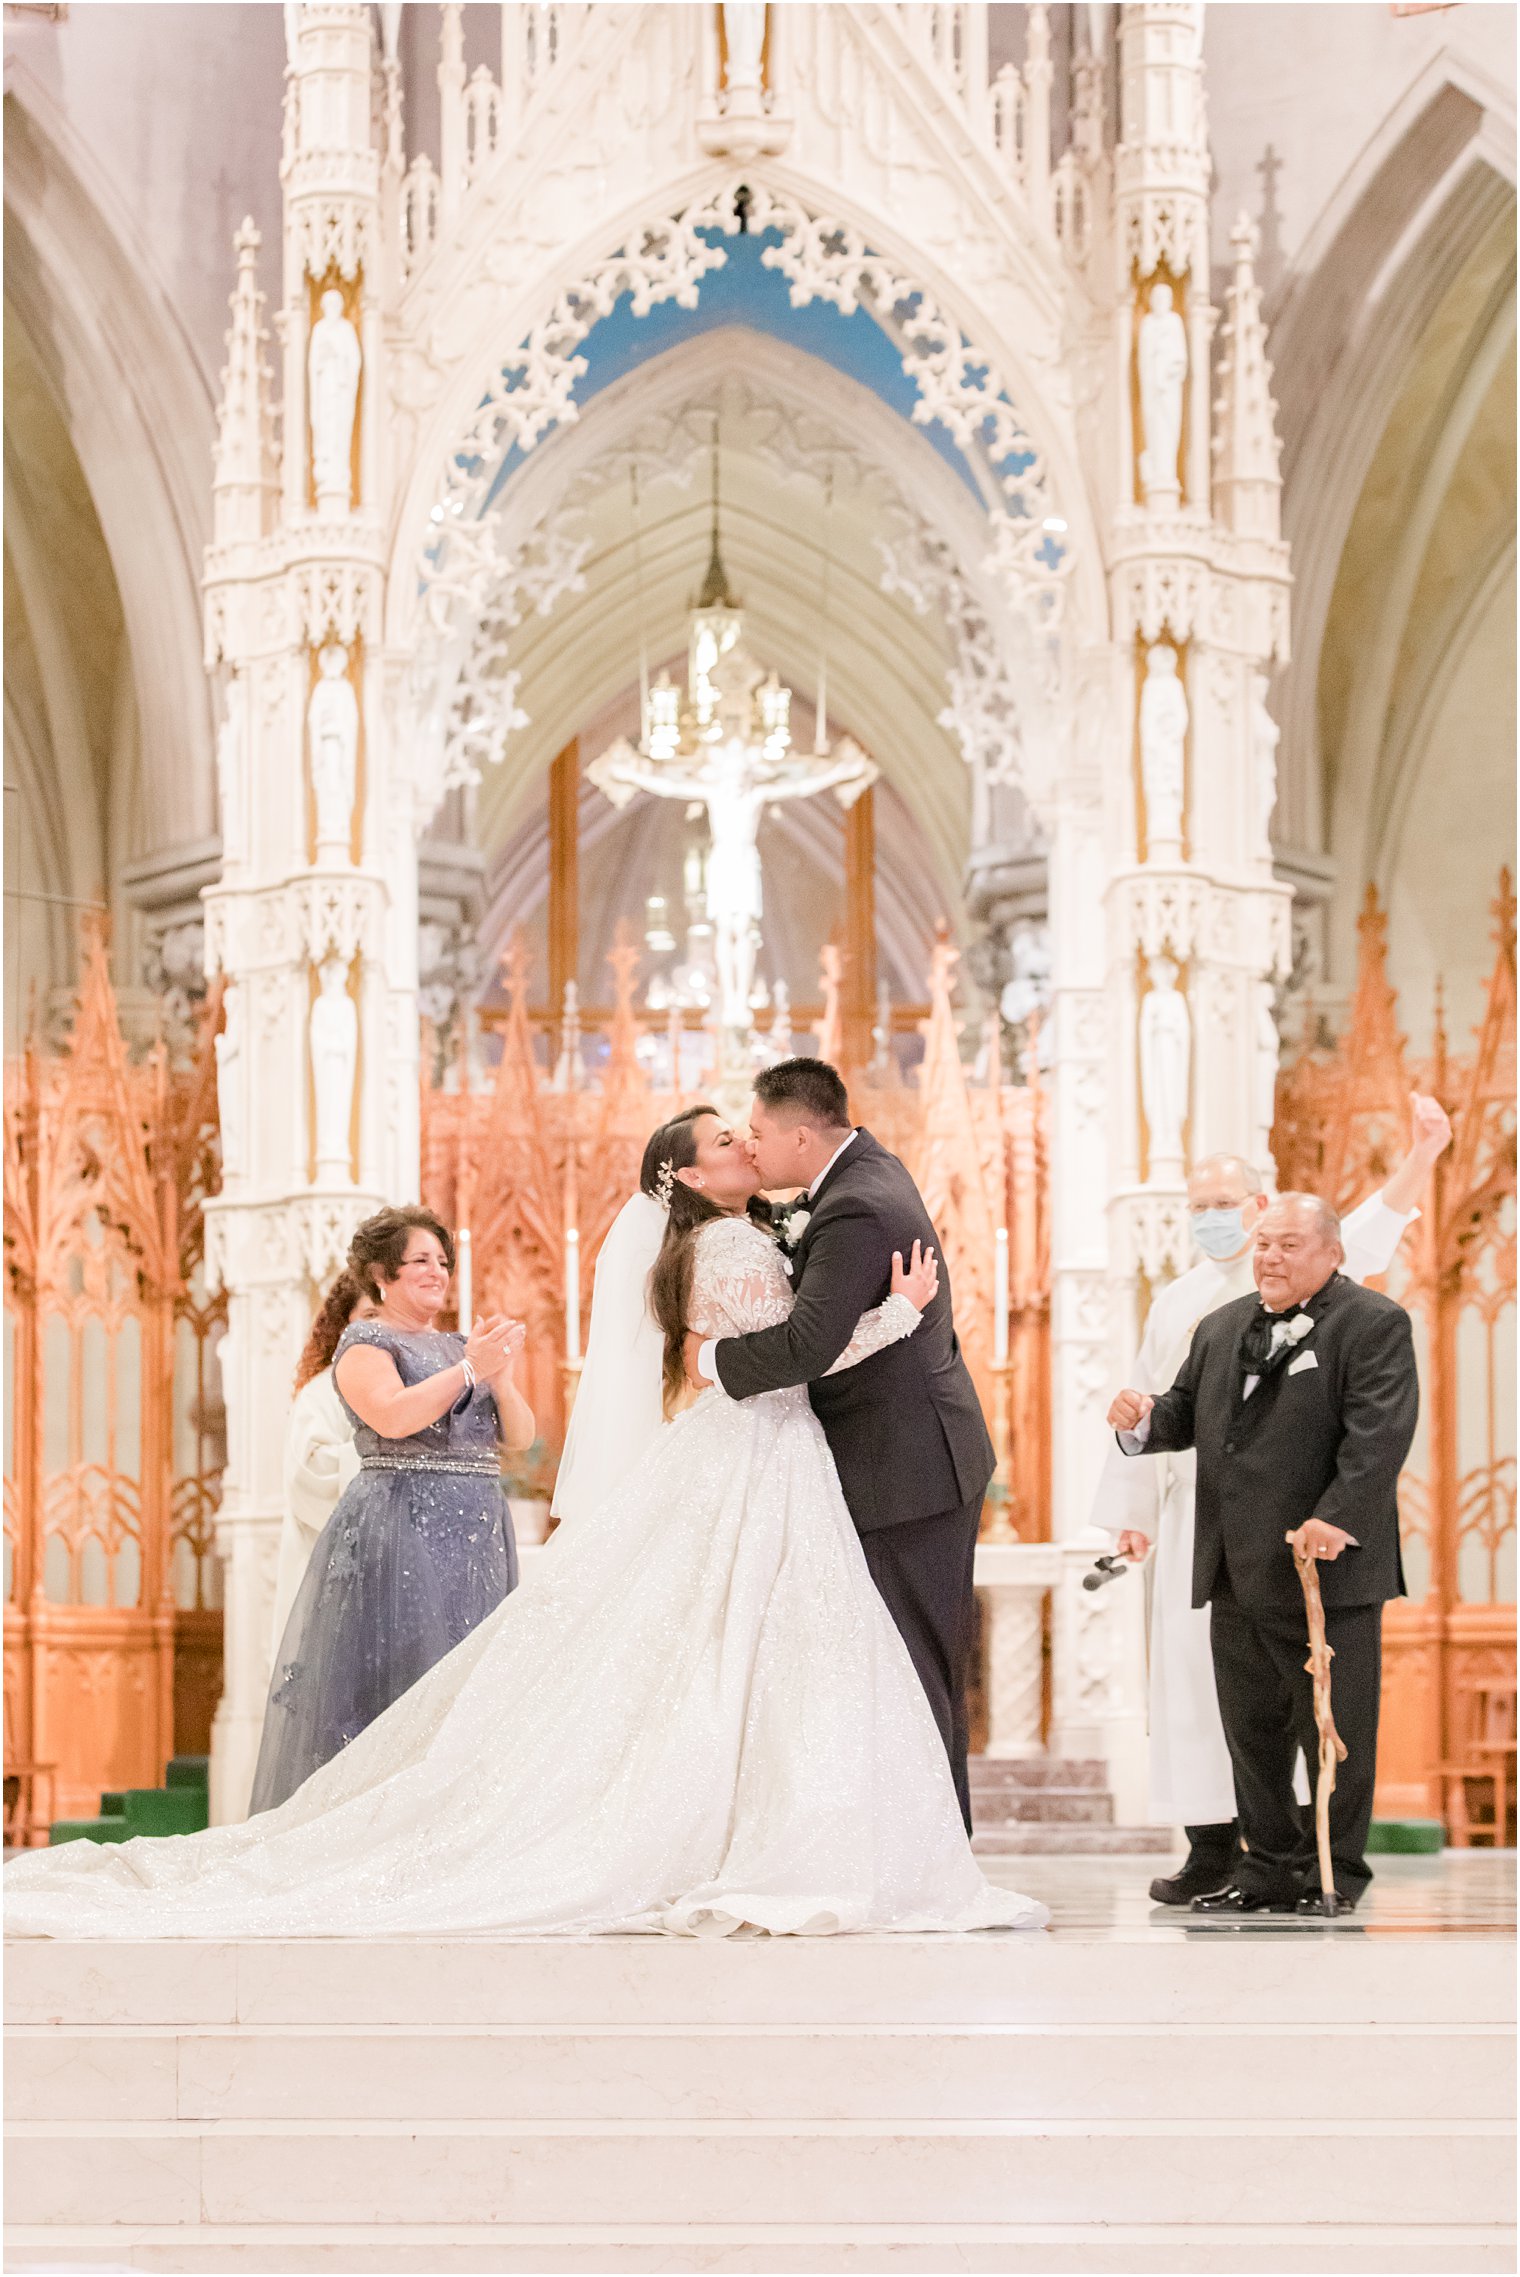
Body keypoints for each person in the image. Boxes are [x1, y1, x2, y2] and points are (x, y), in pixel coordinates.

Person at [4, 1113, 1045, 1939]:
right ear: (685, 1178)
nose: (743, 1146)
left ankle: (751, 1825)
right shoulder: (728, 1244)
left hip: (760, 1460)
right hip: (755, 1453)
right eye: (723, 1141)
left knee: (749, 1655)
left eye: (747, 1132)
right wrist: (895, 1316)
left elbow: (698, 1368)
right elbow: (777, 1354)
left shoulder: (739, 1234)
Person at [1092, 1093, 1452, 1903]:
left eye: (1273, 1236)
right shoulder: (1210, 1316)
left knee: (1328, 1725)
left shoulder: (1364, 1314)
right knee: (1240, 1722)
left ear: (1321, 1249)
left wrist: (1339, 1517)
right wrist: (1136, 1433)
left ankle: (1329, 1868)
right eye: (1206, 1212)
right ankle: (1251, 1859)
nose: (1261, 1251)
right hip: (1222, 1547)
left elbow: (1377, 1438)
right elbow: (1174, 1408)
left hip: (1320, 1555)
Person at [689, 1058, 995, 1833]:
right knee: (900, 1660)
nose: (752, 1148)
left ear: (800, 1133)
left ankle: (935, 1849)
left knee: (913, 1662)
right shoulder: (863, 1174)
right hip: (902, 1458)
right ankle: (915, 1842)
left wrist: (701, 1361)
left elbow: (804, 1345)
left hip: (906, 1469)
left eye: (757, 1132)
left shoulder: (855, 1206)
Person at [247, 1206, 533, 1814]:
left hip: (477, 1531)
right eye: (420, 1261)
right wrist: (470, 1369)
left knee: (470, 1687)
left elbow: (518, 1440)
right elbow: (395, 1415)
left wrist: (501, 1379)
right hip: (407, 1528)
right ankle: (384, 1824)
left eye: (443, 1262)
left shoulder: (462, 1345)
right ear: (383, 1275)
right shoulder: (363, 1344)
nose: (437, 1272)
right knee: (408, 1683)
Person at [269, 1269, 373, 1662]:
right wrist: (382, 1460)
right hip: (328, 1566)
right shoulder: (321, 1393)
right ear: (344, 1323)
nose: (381, 1330)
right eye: (369, 1317)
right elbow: (309, 1476)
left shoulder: (409, 1388)